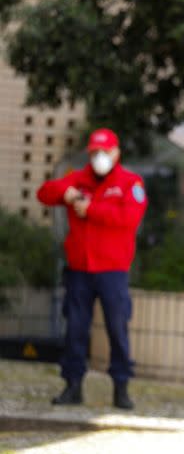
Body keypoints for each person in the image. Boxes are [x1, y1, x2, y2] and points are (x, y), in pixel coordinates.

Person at [37, 128, 147, 409]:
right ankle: (72, 386)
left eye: (105, 151)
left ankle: (121, 388)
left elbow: (129, 218)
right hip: (79, 270)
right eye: (95, 152)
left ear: (116, 153)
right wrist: (68, 192)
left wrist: (93, 209)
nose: (100, 157)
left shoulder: (129, 182)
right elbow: (44, 193)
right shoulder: (79, 179)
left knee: (117, 329)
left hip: (112, 271)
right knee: (75, 329)